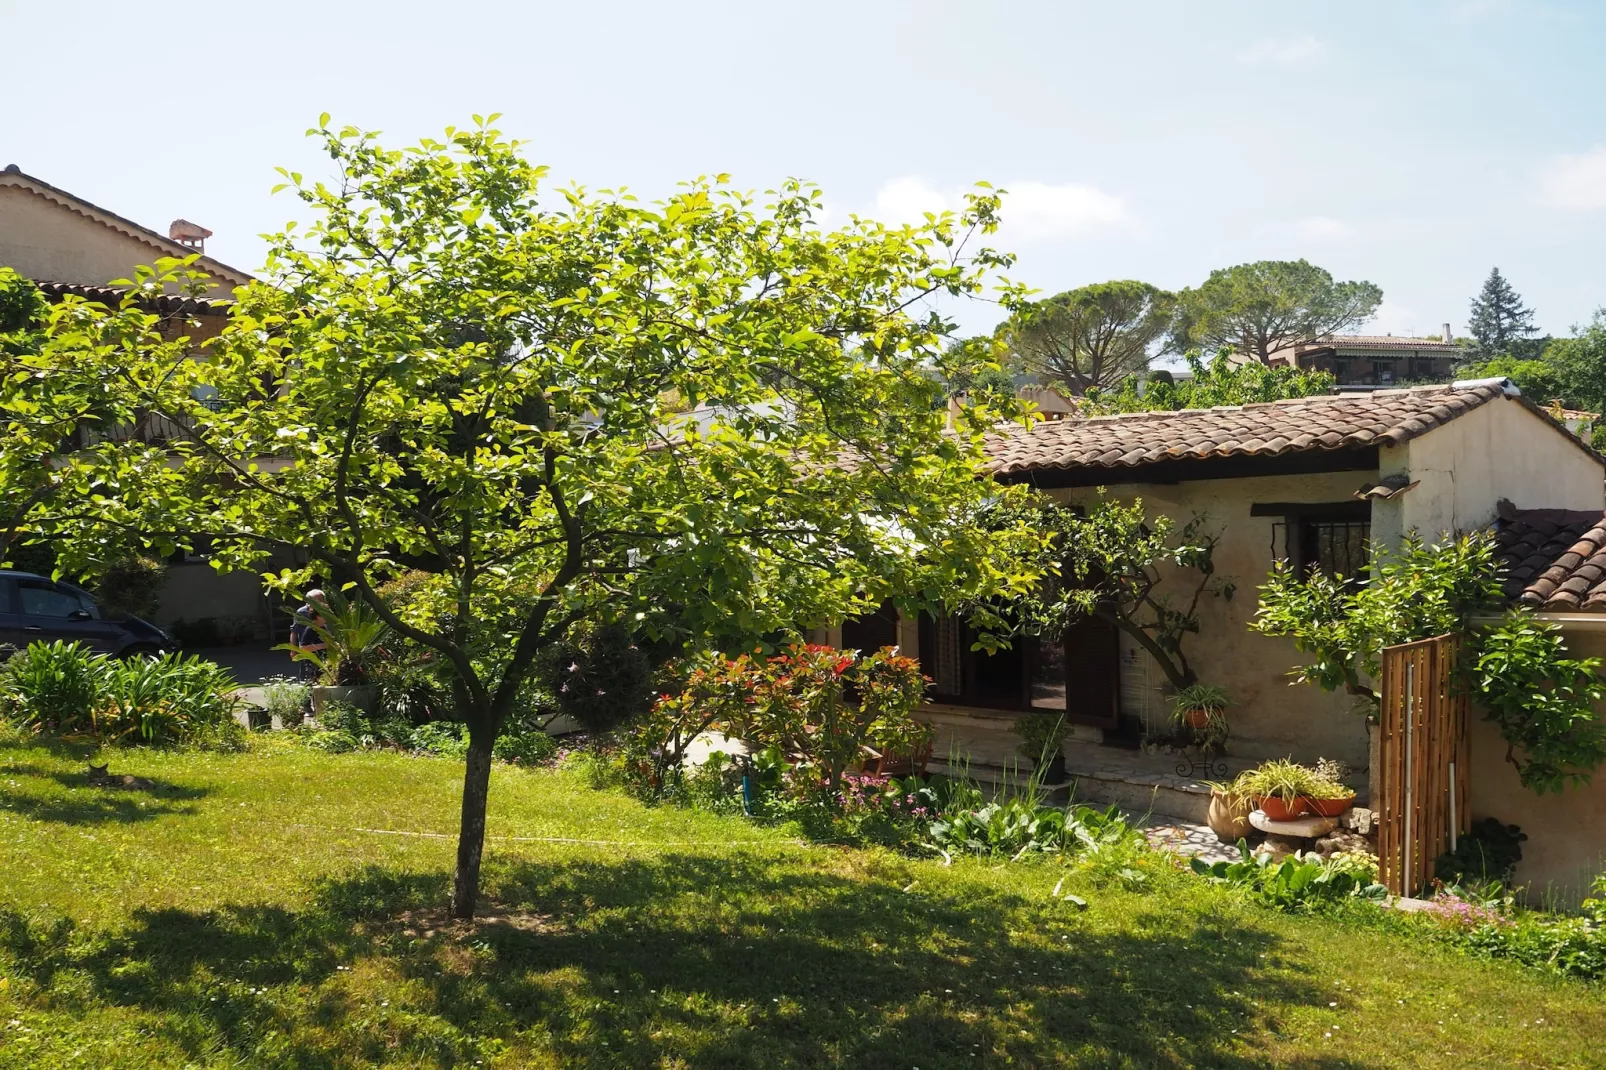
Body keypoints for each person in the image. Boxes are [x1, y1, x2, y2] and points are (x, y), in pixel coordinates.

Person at [288, 589, 328, 682]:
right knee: (307, 674)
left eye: (319, 600)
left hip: (323, 651)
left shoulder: (326, 611)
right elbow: (294, 631)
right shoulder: (301, 612)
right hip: (307, 647)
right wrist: (293, 650)